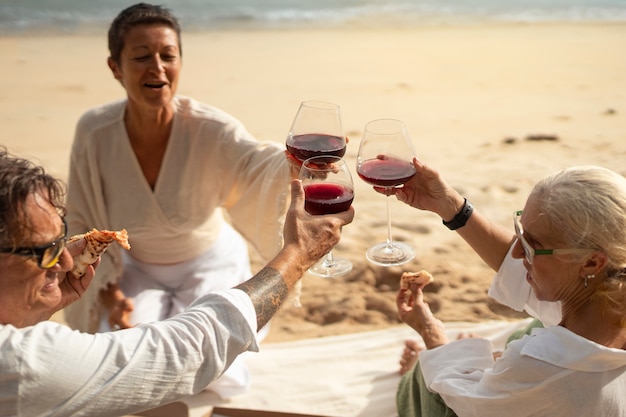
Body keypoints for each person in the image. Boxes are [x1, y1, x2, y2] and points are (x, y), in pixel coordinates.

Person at [0, 147, 353, 417]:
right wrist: (297, 254)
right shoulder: (17, 364)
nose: (63, 260)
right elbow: (182, 354)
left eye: (61, 240)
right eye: (43, 250)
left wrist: (36, 305)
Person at [63, 3, 298, 397]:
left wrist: (299, 164)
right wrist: (108, 290)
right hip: (133, 268)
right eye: (141, 57)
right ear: (115, 67)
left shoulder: (211, 128)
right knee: (124, 358)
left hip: (210, 261)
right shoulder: (94, 132)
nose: (157, 67)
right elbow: (80, 218)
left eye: (168, 56)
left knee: (218, 371)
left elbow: (259, 163)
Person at [385, 158, 626, 416]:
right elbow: (520, 268)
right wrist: (452, 206)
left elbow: (468, 400)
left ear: (591, 262)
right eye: (519, 234)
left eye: (532, 245)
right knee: (530, 328)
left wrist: (433, 334)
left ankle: (413, 374)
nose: (517, 253)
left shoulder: (541, 366)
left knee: (426, 379)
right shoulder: (609, 284)